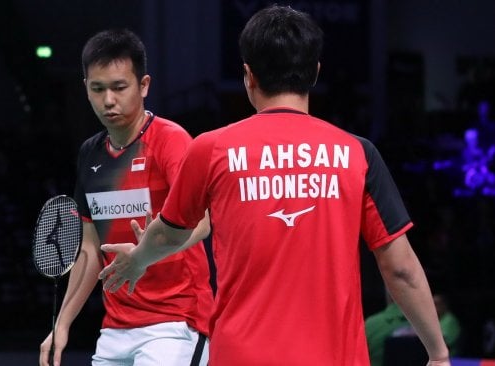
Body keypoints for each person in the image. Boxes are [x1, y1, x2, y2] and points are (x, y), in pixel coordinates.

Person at [99, 5, 450, 365]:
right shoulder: (357, 153)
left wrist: (138, 261)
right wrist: (437, 353)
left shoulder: (211, 148)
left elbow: (168, 234)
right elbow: (400, 267)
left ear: (248, 75)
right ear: (315, 72)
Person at [38, 28, 213, 366]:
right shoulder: (91, 154)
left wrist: (144, 255)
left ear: (143, 85)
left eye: (119, 87)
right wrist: (62, 323)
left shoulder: (171, 142)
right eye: (97, 89)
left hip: (175, 323)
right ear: (85, 88)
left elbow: (203, 222)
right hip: (116, 329)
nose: (108, 100)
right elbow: (89, 249)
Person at [365, 291, 461, 366]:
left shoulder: (370, 324)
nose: (435, 307)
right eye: (433, 303)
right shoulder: (428, 322)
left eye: (437, 303)